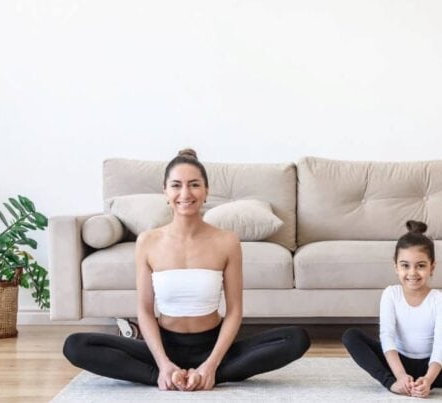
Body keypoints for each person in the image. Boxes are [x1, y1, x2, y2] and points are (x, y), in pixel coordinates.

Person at [63, 149, 310, 391]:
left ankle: (206, 374)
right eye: (176, 185)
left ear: (206, 191)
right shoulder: (148, 242)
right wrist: (162, 364)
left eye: (194, 185)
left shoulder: (227, 241)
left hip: (213, 347)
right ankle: (166, 376)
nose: (185, 193)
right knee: (75, 345)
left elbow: (234, 311)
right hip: (163, 346)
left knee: (297, 339)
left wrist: (211, 364)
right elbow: (145, 311)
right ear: (165, 192)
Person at [342, 220, 442, 398]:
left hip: (433, 368)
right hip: (397, 363)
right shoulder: (391, 294)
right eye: (405, 265)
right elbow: (387, 337)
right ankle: (392, 384)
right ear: (395, 267)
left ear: (432, 267)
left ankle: (423, 384)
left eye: (420, 266)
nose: (412, 273)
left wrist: (428, 379)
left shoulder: (440, 300)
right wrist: (399, 376)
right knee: (351, 336)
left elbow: (440, 345)